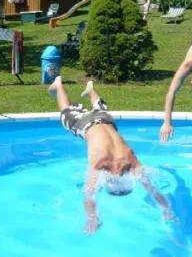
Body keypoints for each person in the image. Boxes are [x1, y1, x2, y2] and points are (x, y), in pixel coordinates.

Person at [48, 76, 174, 234]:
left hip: (106, 120)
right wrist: (92, 219)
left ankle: (91, 90)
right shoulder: (100, 164)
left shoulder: (130, 159)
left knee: (100, 108)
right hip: (86, 124)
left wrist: (166, 209)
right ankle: (59, 85)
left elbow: (152, 189)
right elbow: (89, 195)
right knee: (66, 113)